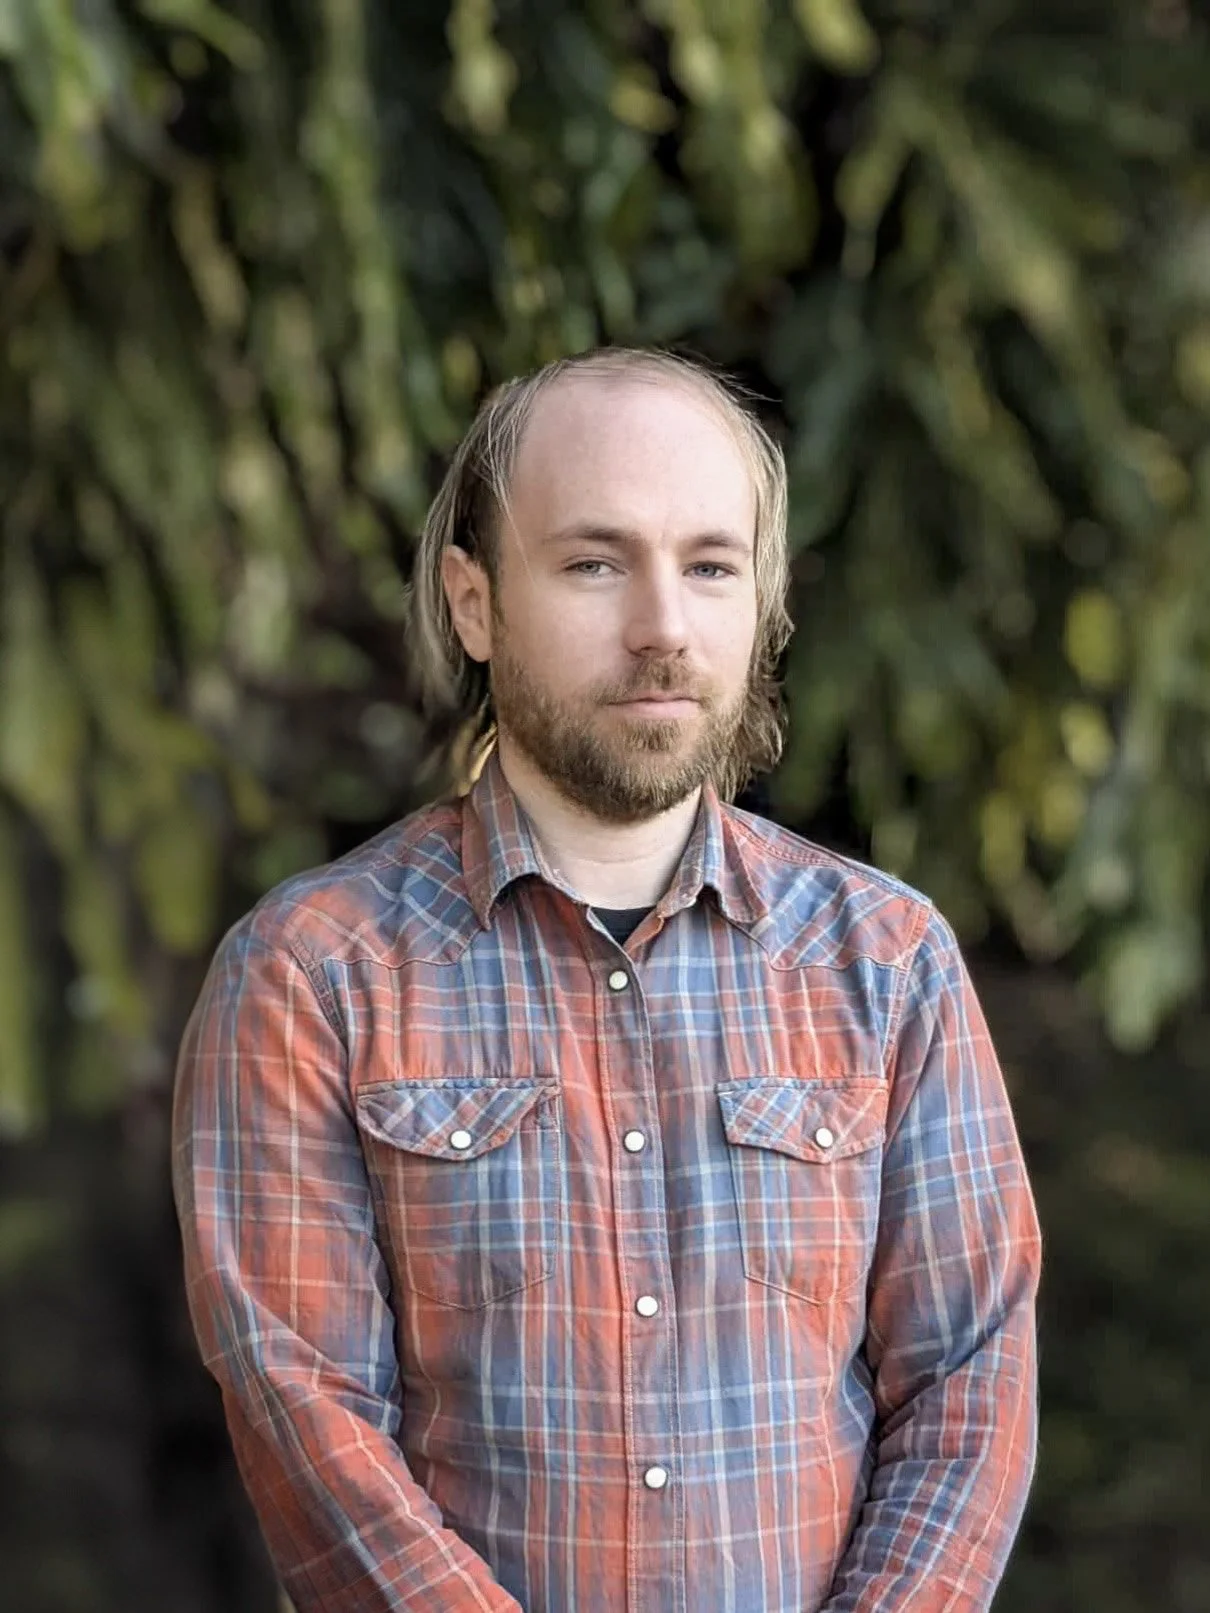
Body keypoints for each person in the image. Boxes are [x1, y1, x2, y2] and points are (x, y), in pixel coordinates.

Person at [173, 347, 1042, 1613]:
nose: (662, 628)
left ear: (764, 598)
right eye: (593, 563)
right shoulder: (313, 974)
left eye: (708, 564)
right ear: (474, 603)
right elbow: (303, 1408)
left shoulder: (890, 958)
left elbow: (970, 1375)